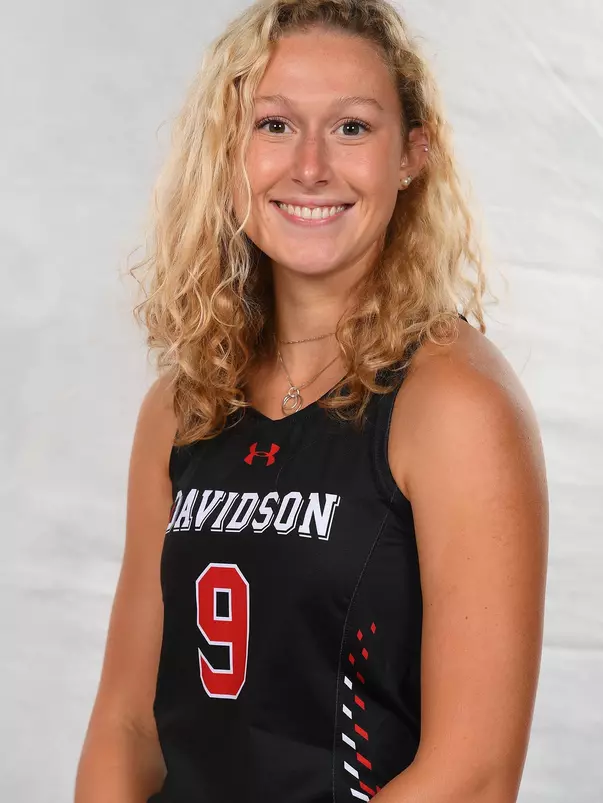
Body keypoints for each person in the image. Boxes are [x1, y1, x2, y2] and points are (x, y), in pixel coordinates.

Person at [74, 1, 549, 802]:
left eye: (353, 127)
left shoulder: (456, 404)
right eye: (274, 125)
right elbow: (126, 723)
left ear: (412, 154)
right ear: (229, 153)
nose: (310, 166)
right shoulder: (182, 404)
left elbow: (473, 775)